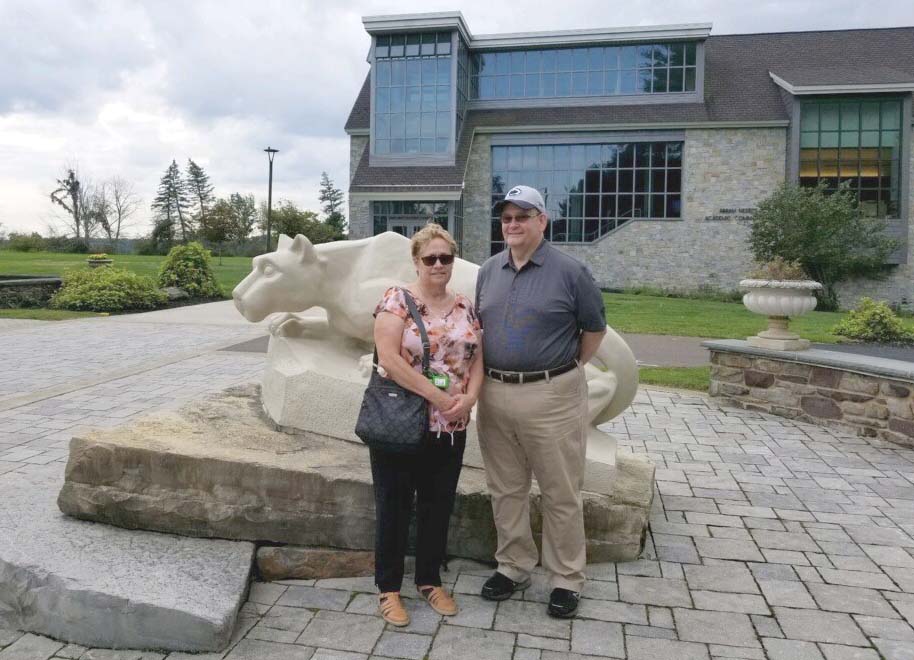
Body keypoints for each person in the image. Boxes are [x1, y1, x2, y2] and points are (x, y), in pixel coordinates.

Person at [475, 185, 607, 618]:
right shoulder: (488, 270)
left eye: (522, 217)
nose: (512, 225)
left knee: (560, 491)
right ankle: (513, 566)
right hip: (495, 394)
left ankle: (567, 578)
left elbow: (593, 331)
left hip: (552, 396)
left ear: (542, 221)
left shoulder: (571, 272)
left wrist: (562, 373)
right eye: (507, 218)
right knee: (505, 489)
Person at [370, 223, 484, 627]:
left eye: (445, 258)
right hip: (402, 424)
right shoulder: (397, 301)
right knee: (394, 506)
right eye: (430, 258)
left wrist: (469, 399)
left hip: (451, 427)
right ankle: (389, 588)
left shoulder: (465, 306)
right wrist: (438, 397)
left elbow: (477, 357)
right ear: (416, 262)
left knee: (438, 506)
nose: (438, 264)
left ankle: (429, 580)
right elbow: (389, 358)